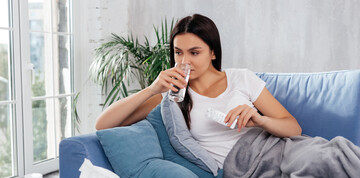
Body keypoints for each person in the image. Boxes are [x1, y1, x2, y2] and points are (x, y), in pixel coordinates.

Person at [95, 13, 302, 168]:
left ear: (212, 52)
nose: (185, 61)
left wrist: (260, 120)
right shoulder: (171, 97)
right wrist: (151, 89)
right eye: (178, 53)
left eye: (194, 52)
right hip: (247, 171)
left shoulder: (241, 78)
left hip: (278, 152)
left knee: (326, 161)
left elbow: (294, 128)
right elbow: (103, 125)